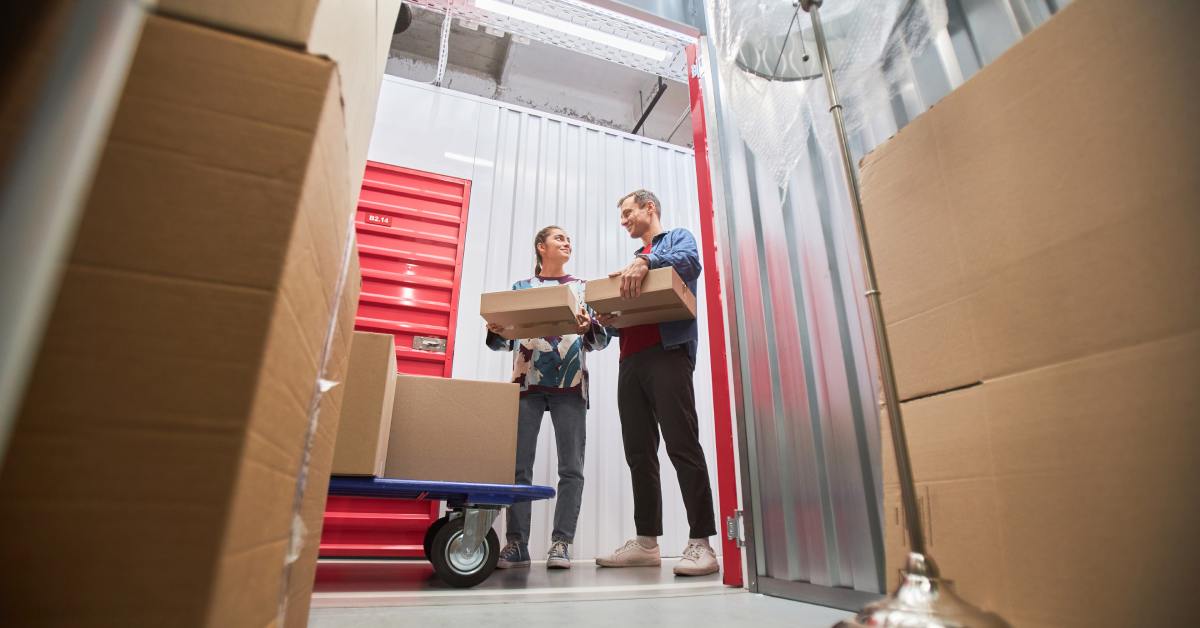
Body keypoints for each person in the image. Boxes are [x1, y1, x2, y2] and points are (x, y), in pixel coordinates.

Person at [594, 189, 719, 577]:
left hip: (668, 355)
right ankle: (647, 542)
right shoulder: (633, 264)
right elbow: (626, 319)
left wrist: (646, 260)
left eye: (628, 212)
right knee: (639, 453)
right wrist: (603, 322)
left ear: (650, 208)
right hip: (630, 360)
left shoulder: (676, 239)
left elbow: (690, 262)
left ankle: (702, 544)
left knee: (682, 445)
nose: (624, 220)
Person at [485, 225, 610, 570]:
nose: (567, 241)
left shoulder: (583, 289)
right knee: (518, 467)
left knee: (571, 469)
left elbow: (600, 342)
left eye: (569, 238)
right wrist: (495, 330)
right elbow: (503, 342)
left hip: (570, 385)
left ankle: (561, 544)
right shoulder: (521, 289)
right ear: (541, 247)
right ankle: (516, 544)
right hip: (527, 384)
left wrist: (591, 329)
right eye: (559, 238)